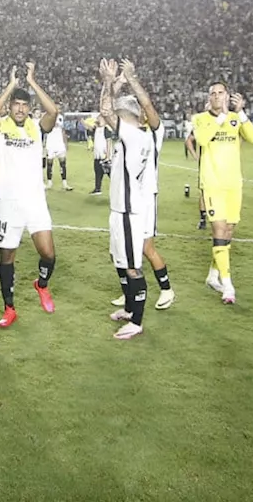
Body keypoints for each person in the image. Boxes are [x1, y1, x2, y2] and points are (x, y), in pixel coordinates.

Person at [0, 63, 59, 327]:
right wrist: (10, 85)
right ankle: (9, 308)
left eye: (23, 105)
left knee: (48, 254)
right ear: (11, 107)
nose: (19, 108)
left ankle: (41, 284)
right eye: (15, 104)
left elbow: (53, 111)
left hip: (34, 200)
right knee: (7, 258)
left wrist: (32, 81)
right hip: (7, 200)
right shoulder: (2, 125)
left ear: (29, 108)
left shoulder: (37, 127)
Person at [99, 59, 167, 339]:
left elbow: (105, 110)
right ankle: (129, 307)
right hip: (121, 209)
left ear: (131, 117)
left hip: (129, 211)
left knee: (132, 266)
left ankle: (136, 321)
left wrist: (110, 80)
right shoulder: (136, 136)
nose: (116, 116)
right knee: (120, 261)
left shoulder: (133, 136)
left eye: (121, 113)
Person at [190, 81, 253, 305]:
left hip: (233, 184)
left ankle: (213, 275)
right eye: (213, 93)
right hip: (212, 183)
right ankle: (228, 285)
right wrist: (221, 118)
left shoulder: (235, 118)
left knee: (228, 230)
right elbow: (201, 139)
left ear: (228, 96)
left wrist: (241, 114)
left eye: (221, 93)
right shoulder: (200, 119)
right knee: (219, 229)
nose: (217, 97)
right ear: (209, 98)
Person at [184, 116, 207, 230]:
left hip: (222, 165)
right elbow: (189, 140)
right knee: (203, 192)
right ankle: (203, 219)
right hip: (206, 165)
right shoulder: (202, 125)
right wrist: (195, 156)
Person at [44, 111, 72, 191]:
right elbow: (45, 129)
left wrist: (65, 143)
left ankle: (64, 183)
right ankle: (49, 183)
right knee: (49, 164)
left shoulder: (60, 117)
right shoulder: (47, 116)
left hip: (59, 143)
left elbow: (63, 131)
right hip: (50, 143)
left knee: (63, 164)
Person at [89, 113, 110, 195]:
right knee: (97, 172)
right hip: (97, 155)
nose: (98, 120)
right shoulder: (96, 129)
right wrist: (82, 122)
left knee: (109, 173)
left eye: (100, 118)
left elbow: (109, 142)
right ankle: (97, 189)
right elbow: (89, 127)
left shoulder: (106, 129)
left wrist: (108, 155)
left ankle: (119, 187)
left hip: (104, 155)